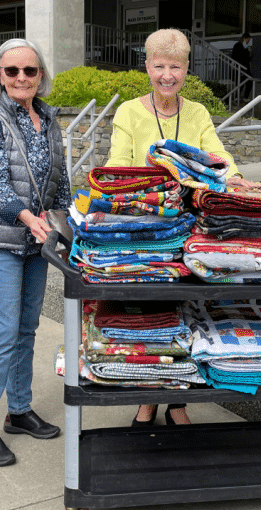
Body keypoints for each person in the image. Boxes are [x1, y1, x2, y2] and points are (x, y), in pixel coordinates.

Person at [106, 27, 253, 427]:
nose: (167, 75)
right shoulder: (129, 112)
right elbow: (119, 164)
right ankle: (149, 395)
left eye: (175, 66)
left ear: (187, 69)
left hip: (192, 222)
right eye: (159, 66)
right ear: (147, 67)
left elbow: (216, 152)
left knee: (189, 306)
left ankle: (177, 401)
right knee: (153, 309)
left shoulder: (198, 113)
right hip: (148, 224)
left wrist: (232, 174)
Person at [0, 38, 72, 466]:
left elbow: (60, 179)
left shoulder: (49, 119)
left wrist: (66, 222)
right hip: (2, 238)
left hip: (38, 240)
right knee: (3, 332)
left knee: (28, 328)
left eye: (29, 71)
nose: (21, 78)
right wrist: (30, 219)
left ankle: (20, 411)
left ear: (41, 76)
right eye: (11, 72)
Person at [230, 32, 252, 101]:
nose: (248, 41)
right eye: (247, 40)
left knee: (248, 81)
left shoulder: (244, 47)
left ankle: (244, 97)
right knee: (240, 83)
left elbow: (247, 59)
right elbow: (239, 57)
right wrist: (247, 51)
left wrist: (249, 53)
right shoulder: (238, 45)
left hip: (245, 68)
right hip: (240, 68)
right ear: (244, 39)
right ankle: (238, 97)